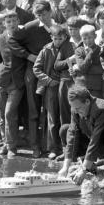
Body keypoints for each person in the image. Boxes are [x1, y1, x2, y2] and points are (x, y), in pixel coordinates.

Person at [58, 85, 104, 183]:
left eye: (78, 108)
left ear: (87, 102)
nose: (76, 111)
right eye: (73, 108)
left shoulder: (101, 109)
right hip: (99, 141)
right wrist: (65, 167)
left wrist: (84, 170)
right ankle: (88, 165)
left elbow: (95, 139)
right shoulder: (75, 108)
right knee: (65, 129)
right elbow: (73, 134)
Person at [8, 0, 53, 158]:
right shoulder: (31, 27)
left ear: (50, 11)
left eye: (44, 13)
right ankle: (35, 146)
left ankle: (50, 146)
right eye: (38, 14)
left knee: (50, 110)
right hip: (32, 74)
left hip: (52, 73)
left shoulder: (57, 27)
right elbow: (12, 40)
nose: (41, 17)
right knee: (34, 110)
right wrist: (28, 55)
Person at [0, 11, 26, 157]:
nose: (11, 24)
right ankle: (5, 143)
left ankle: (12, 146)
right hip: (2, 80)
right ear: (4, 24)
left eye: (13, 20)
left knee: (9, 112)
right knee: (2, 114)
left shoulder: (23, 36)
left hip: (17, 81)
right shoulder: (0, 38)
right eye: (8, 22)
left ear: (18, 20)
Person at [33, 26, 67, 160]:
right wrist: (48, 80)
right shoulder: (46, 50)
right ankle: (53, 148)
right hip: (51, 87)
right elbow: (36, 69)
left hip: (65, 85)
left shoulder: (69, 47)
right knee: (52, 118)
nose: (58, 41)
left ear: (65, 37)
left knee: (64, 117)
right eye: (55, 38)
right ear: (51, 37)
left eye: (60, 38)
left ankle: (66, 147)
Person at [73, 25, 104, 98]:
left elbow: (103, 69)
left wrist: (81, 70)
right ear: (81, 38)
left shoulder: (101, 50)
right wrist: (90, 53)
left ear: (95, 36)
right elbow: (83, 68)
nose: (87, 41)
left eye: (90, 37)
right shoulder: (79, 51)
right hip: (81, 86)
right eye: (84, 38)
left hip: (96, 87)